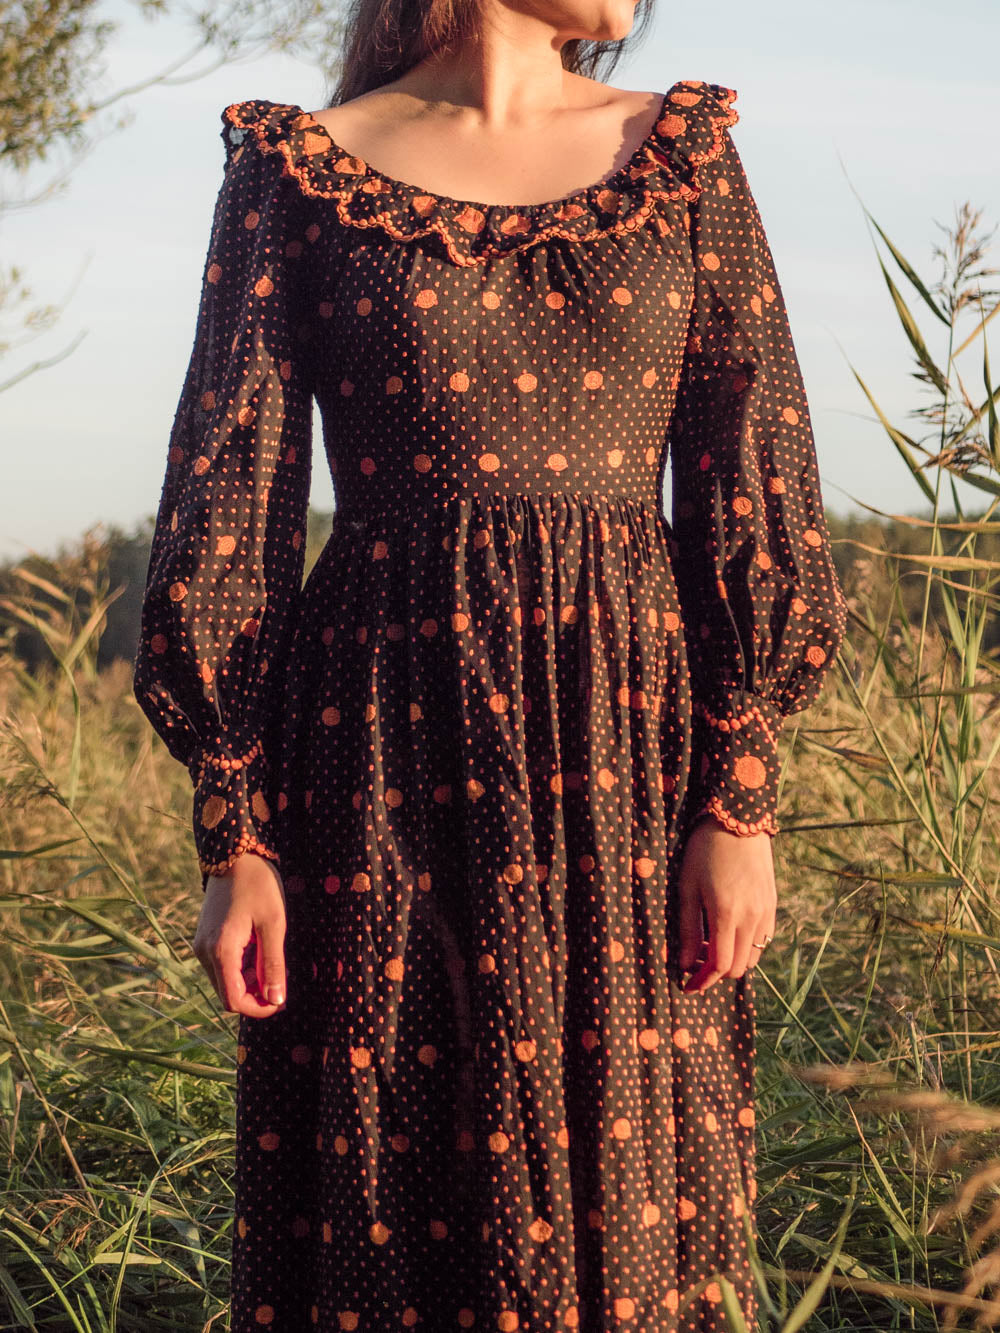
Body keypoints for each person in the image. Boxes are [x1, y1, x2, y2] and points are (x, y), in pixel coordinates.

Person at [132, 0, 848, 1323]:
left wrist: (740, 796)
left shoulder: (682, 156)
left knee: (635, 1190)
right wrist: (235, 836)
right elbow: (232, 499)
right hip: (379, 755)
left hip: (627, 755)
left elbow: (752, 471)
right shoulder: (299, 174)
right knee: (393, 1177)